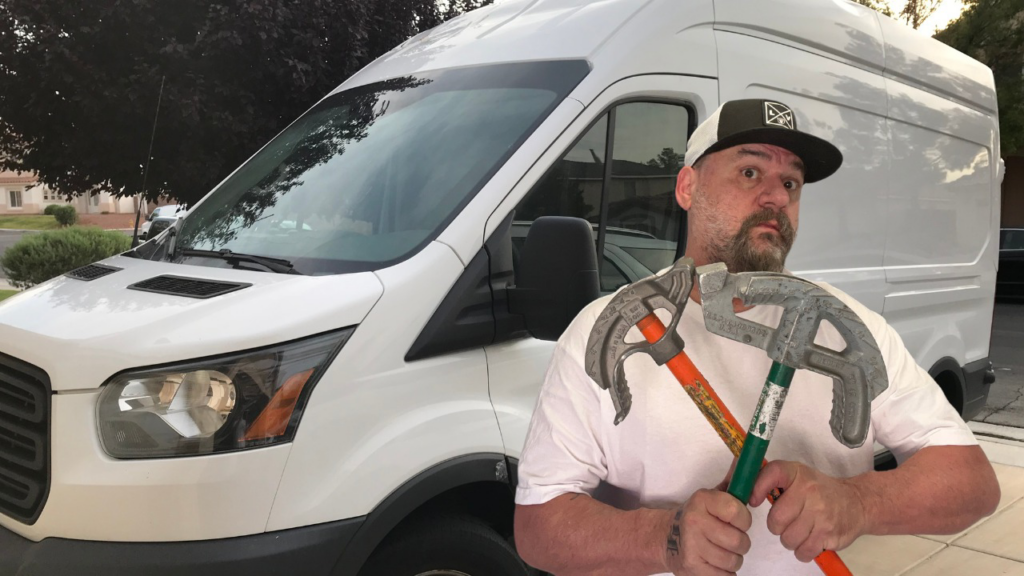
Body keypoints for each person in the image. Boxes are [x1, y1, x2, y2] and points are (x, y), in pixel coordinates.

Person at [512, 99, 1000, 576]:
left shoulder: (844, 324)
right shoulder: (610, 326)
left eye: (791, 182)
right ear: (687, 186)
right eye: (750, 173)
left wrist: (858, 502)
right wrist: (664, 539)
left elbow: (973, 483)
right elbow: (537, 528)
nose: (777, 197)